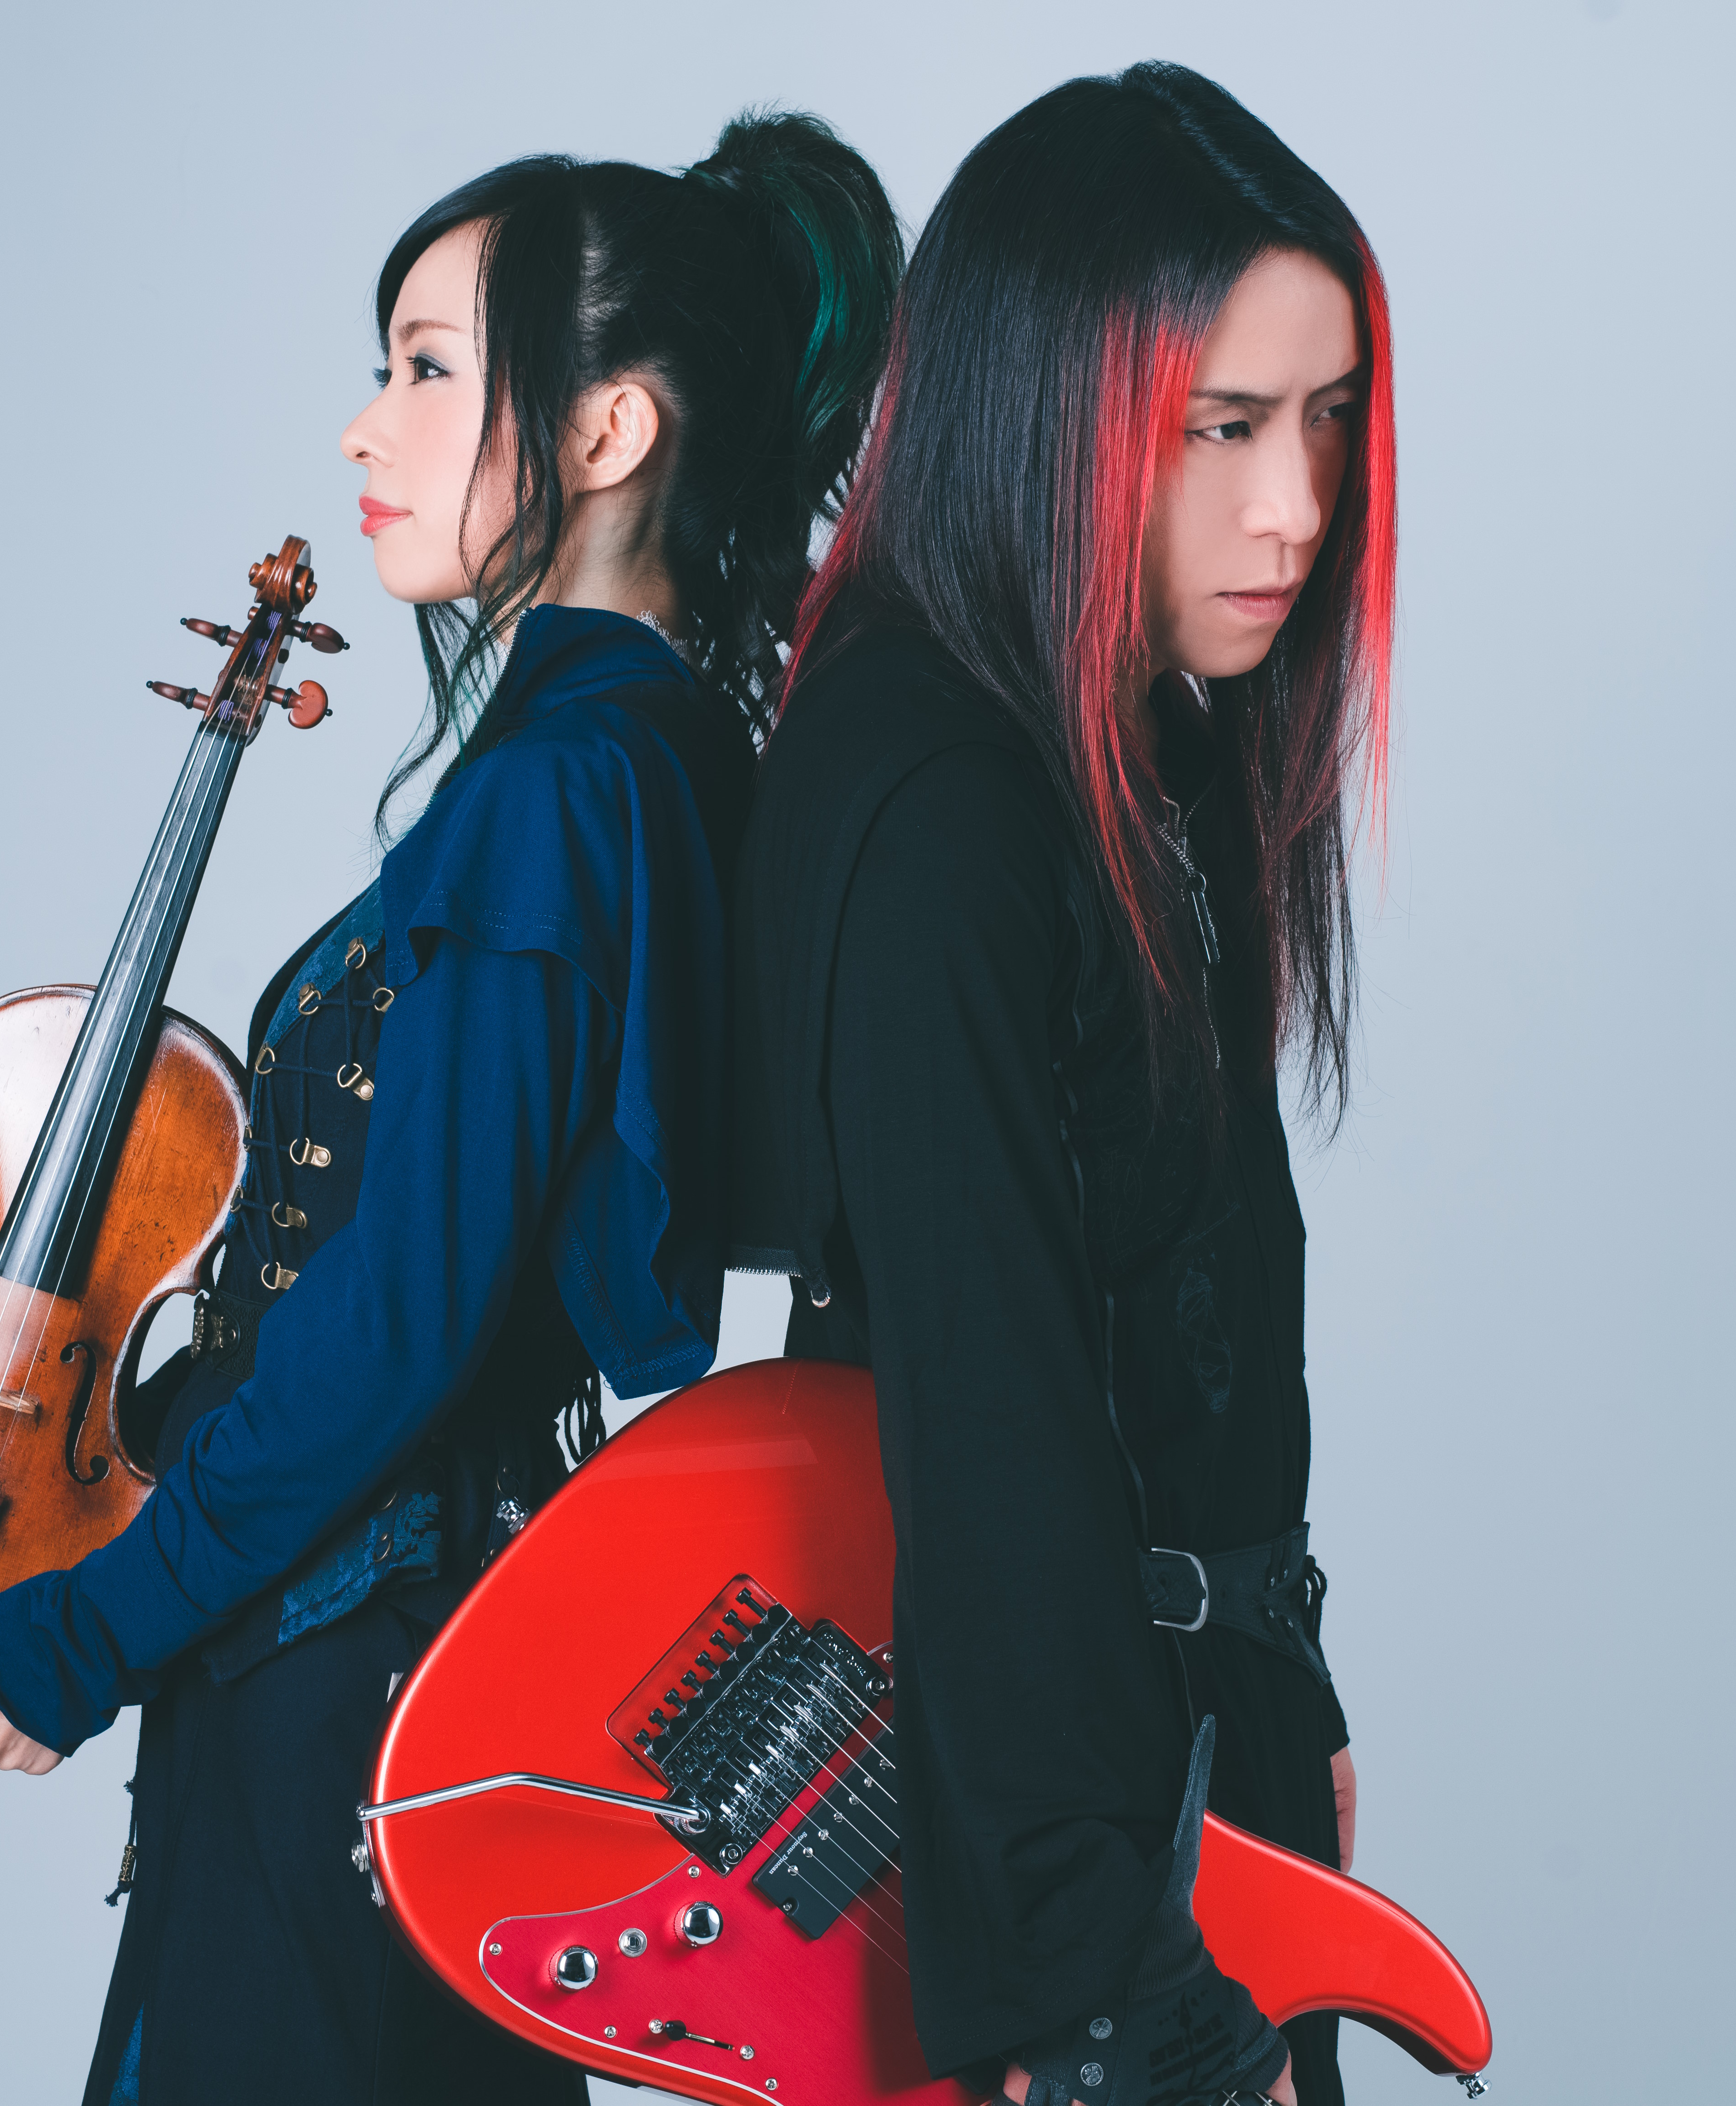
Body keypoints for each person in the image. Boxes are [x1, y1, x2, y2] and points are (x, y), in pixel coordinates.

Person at [0, 115, 901, 2105]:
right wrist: (58, 1606)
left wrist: (74, 1644)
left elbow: (396, 1330)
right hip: (397, 1649)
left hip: (357, 1672)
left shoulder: (557, 789)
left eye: (430, 369)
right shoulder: (638, 756)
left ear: (609, 430)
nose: (368, 430)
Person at [728, 62, 1394, 2106]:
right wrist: (1110, 2000)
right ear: (1048, 412)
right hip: (1068, 1899)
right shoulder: (945, 800)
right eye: (1223, 427)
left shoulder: (1136, 743)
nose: (1297, 507)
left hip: (1181, 1777)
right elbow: (985, 1416)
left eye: (1329, 417)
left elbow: (1190, 1308)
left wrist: (1282, 1683)